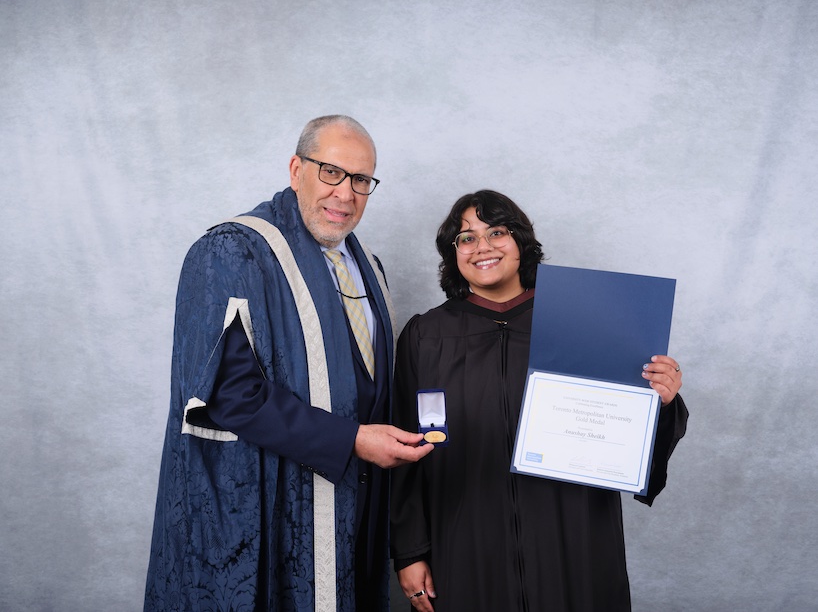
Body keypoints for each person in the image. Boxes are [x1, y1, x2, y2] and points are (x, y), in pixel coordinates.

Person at [144, 115, 433, 612]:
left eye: (361, 180)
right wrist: (354, 441)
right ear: (296, 168)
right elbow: (228, 395)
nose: (345, 194)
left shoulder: (370, 269)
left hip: (353, 507)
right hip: (264, 508)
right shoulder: (230, 253)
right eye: (331, 172)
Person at [390, 190, 688, 612]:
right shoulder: (426, 337)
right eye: (467, 238)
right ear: (452, 252)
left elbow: (629, 433)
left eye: (497, 232)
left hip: (574, 534)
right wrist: (410, 551)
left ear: (521, 242)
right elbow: (403, 448)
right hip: (466, 538)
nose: (483, 247)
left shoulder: (582, 321)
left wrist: (661, 400)